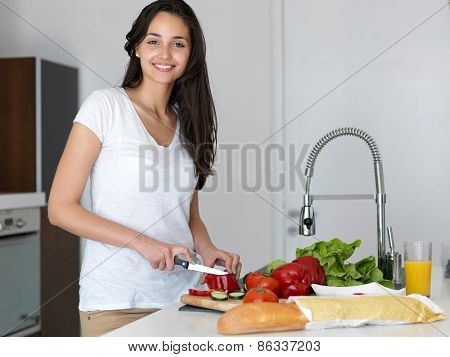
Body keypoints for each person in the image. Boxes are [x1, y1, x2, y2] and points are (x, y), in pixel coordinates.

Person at [48, 0, 242, 337]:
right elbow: (60, 209)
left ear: (190, 54)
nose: (165, 53)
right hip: (118, 303)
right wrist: (143, 243)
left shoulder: (189, 122)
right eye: (154, 41)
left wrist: (208, 250)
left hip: (185, 300)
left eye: (177, 44)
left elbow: (188, 215)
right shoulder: (104, 107)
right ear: (137, 47)